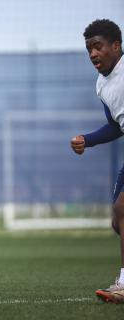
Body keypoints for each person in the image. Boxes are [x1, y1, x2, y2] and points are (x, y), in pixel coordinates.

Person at [70, 19, 124, 304]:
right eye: (89, 48)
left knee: (122, 208)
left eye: (98, 46)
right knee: (118, 221)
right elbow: (117, 125)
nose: (92, 54)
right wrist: (87, 140)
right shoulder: (102, 85)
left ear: (116, 46)